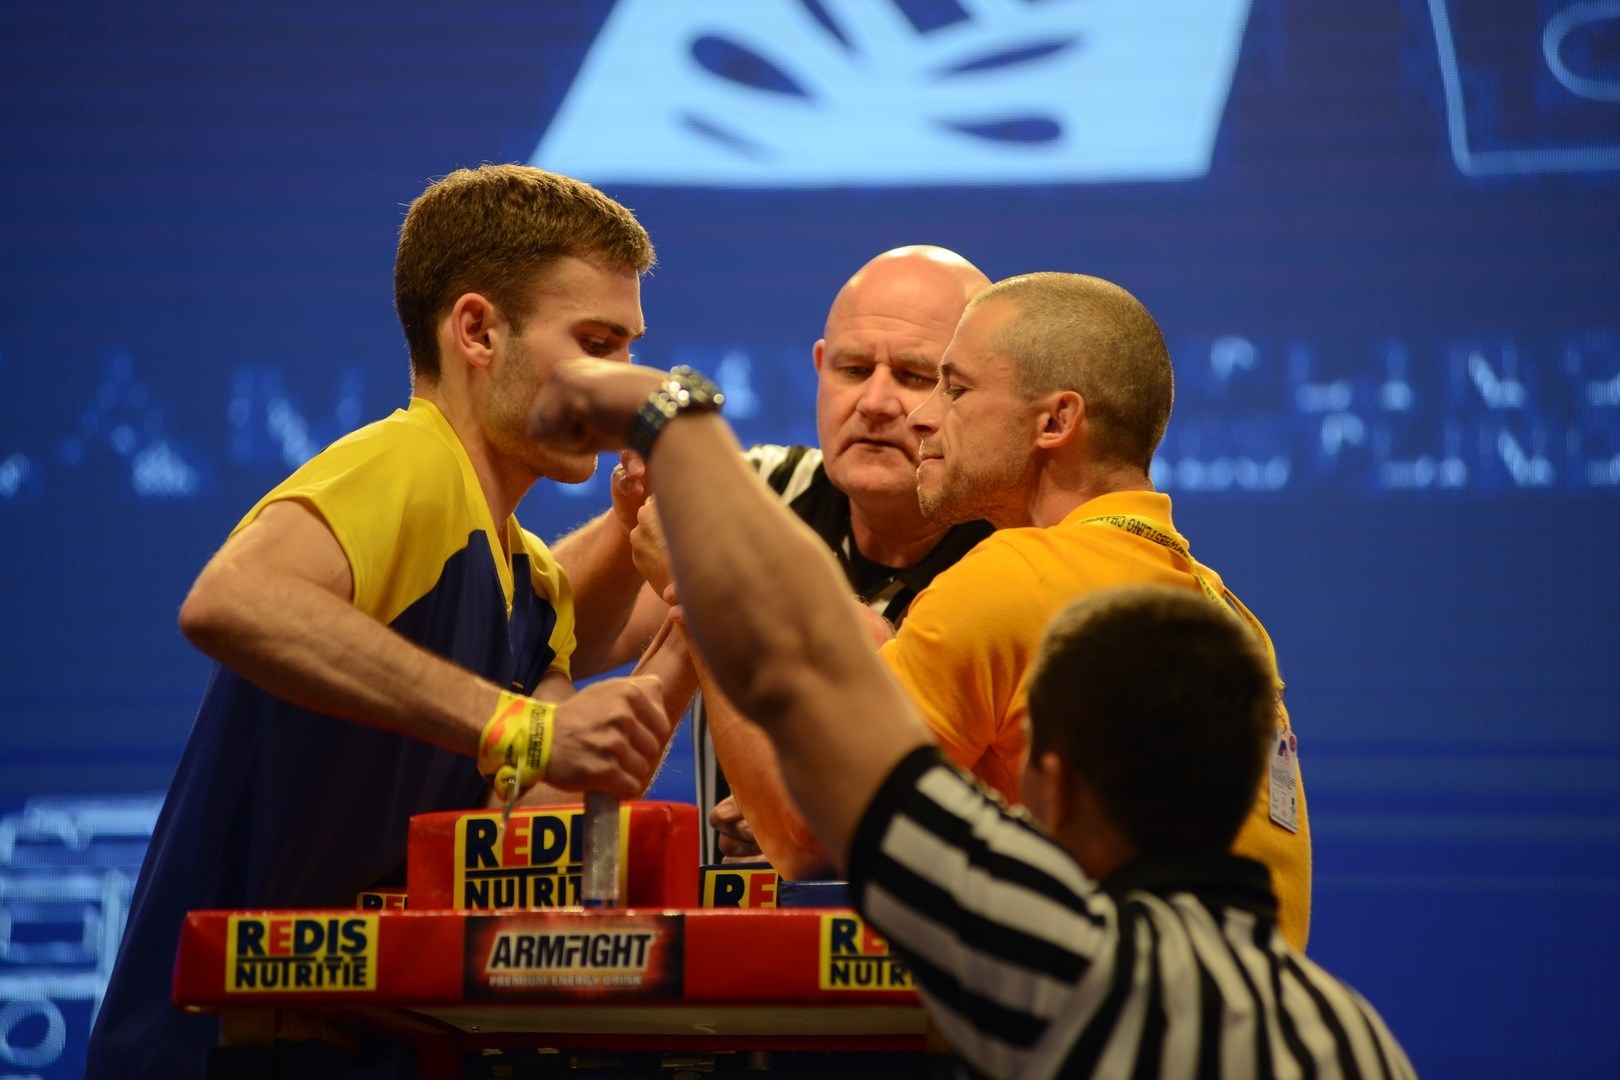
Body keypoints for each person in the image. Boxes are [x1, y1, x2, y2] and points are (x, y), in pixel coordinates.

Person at [528, 358, 1417, 1079]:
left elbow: (811, 803)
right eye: (855, 369)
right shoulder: (1353, 1033)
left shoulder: (1065, 962)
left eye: (948, 387)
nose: (914, 416)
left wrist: (669, 428)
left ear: (1052, 789)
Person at [86, 165, 683, 1079]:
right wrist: (519, 723)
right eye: (595, 343)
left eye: (629, 349)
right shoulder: (411, 463)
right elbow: (231, 598)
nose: (623, 383)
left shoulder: (529, 578)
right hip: (223, 1051)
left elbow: (529, 826)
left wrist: (688, 619)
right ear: (477, 330)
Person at [676, 271, 1313, 948]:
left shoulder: (1012, 578)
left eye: (953, 388)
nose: (923, 416)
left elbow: (807, 841)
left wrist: (701, 591)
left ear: (1055, 421)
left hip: (1102, 1041)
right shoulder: (1227, 614)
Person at [554, 245, 993, 867]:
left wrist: (705, 589)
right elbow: (551, 639)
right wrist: (627, 526)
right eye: (852, 368)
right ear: (819, 367)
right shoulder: (754, 489)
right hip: (723, 945)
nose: (874, 401)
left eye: (915, 376)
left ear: (970, 391)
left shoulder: (1013, 560)